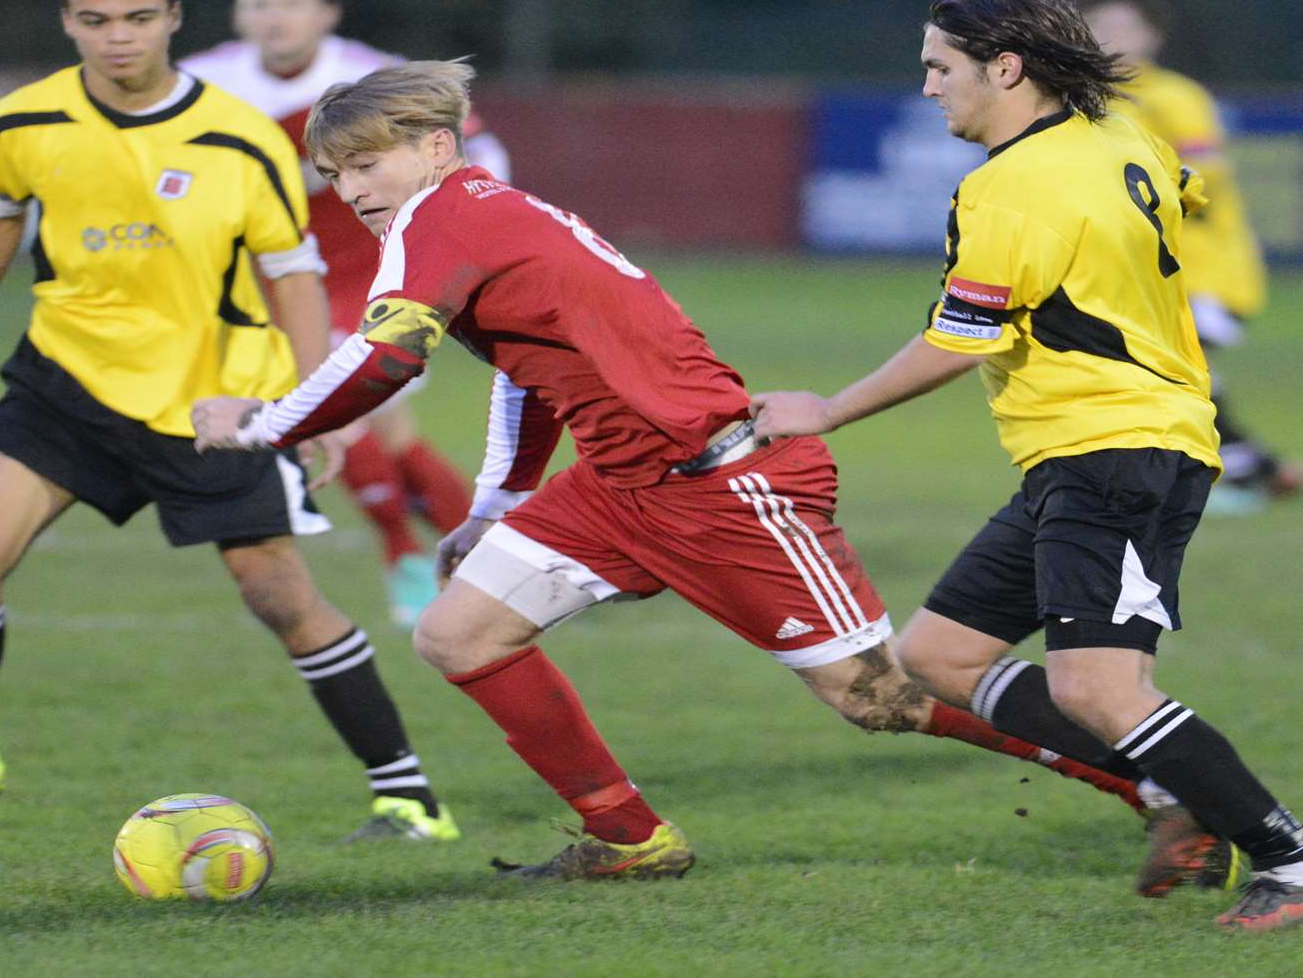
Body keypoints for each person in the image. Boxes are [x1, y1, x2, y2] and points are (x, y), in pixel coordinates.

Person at [193, 59, 1187, 884]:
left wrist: (258, 426)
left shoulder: (444, 217)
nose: (354, 189)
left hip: (725, 482)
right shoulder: (475, 212)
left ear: (436, 147)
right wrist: (498, 503)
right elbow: (528, 372)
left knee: (878, 697)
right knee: (460, 634)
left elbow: (387, 357)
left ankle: (1160, 790)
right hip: (618, 481)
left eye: (368, 162)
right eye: (336, 173)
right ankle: (633, 840)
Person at [0, 0, 457, 844]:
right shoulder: (22, 121)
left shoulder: (242, 137)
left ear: (174, 18)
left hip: (212, 404)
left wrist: (316, 407)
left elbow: (293, 274)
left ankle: (409, 798)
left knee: (281, 599)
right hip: (63, 387)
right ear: (68, 22)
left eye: (139, 17)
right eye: (95, 21)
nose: (119, 38)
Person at [753, 0, 1303, 931]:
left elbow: (957, 338)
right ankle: (1177, 797)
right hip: (1086, 449)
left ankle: (1287, 859)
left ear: (1005, 68)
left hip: (1119, 451)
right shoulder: (1123, 134)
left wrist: (827, 408)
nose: (928, 88)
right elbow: (1185, 187)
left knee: (1097, 687)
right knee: (940, 655)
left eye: (940, 68)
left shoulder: (1010, 189)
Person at [183, 0, 511, 628]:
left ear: (327, 13)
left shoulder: (371, 77)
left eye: (291, 3)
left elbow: (481, 152)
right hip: (273, 276)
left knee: (352, 410)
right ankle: (501, 562)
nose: (273, 18)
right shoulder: (201, 83)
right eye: (258, 3)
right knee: (386, 430)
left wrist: (458, 234)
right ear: (238, 14)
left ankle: (409, 558)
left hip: (375, 267)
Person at [1081, 0, 1296, 512]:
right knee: (1167, 368)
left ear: (1152, 37)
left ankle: (1232, 471)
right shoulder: (1086, 98)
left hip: (1209, 274)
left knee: (1166, 365)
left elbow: (1207, 176)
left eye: (1125, 25)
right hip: (1151, 275)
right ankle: (1254, 469)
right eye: (1099, 24)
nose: (1113, 37)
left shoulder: (1174, 97)